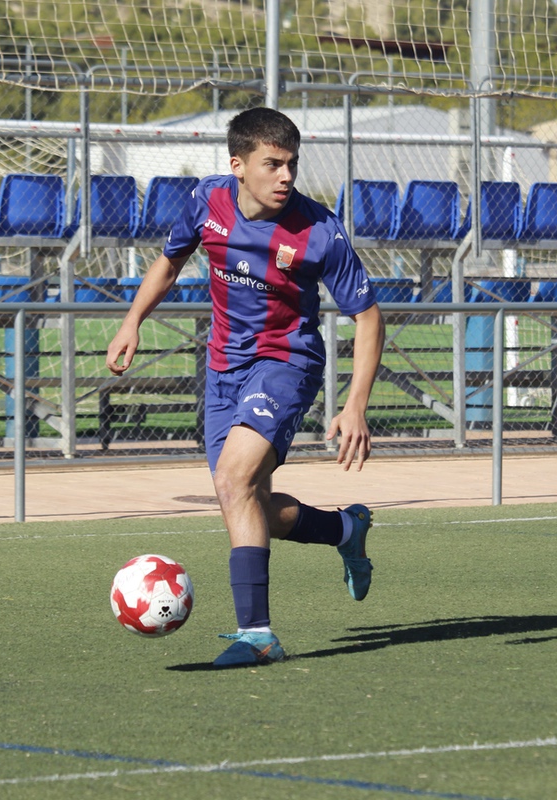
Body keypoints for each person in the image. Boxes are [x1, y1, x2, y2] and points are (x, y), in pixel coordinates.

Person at [106, 107, 386, 666]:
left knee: (233, 481)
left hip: (286, 363)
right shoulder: (206, 200)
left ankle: (257, 636)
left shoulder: (319, 230)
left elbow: (369, 317)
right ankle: (343, 529)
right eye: (272, 164)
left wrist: (355, 405)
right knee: (246, 500)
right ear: (238, 165)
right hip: (223, 370)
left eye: (292, 164)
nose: (286, 176)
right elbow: (170, 262)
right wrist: (131, 321)